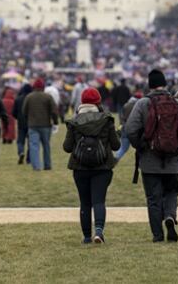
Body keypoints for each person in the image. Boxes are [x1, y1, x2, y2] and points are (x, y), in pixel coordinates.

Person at [125, 69, 178, 243]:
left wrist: (140, 145)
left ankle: (157, 234)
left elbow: (130, 129)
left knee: (153, 198)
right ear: (164, 83)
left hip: (149, 159)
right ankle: (170, 216)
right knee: (171, 193)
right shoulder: (177, 103)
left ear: (149, 85)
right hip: (173, 159)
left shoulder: (142, 104)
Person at [63, 87, 120, 244]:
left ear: (82, 102)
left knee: (85, 202)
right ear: (98, 102)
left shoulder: (74, 122)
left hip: (80, 167)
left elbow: (67, 147)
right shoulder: (106, 119)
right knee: (99, 201)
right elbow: (116, 146)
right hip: (103, 167)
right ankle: (99, 231)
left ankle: (87, 236)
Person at [22, 78, 59, 171]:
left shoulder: (29, 97)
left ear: (34, 87)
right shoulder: (48, 97)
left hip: (33, 125)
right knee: (46, 146)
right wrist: (55, 122)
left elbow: (24, 111)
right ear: (43, 87)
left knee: (34, 146)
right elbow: (54, 111)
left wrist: (28, 119)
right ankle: (47, 165)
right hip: (46, 125)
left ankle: (36, 166)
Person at [115, 90, 142, 162]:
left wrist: (122, 125)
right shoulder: (138, 105)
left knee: (123, 148)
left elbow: (121, 117)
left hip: (125, 128)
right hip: (135, 129)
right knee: (140, 148)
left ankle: (115, 159)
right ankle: (140, 162)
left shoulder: (126, 105)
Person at [13, 83, 31, 164]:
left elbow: (14, 112)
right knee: (31, 141)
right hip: (31, 122)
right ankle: (29, 158)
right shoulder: (31, 98)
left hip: (21, 122)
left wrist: (18, 118)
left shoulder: (18, 99)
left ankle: (21, 152)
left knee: (20, 140)